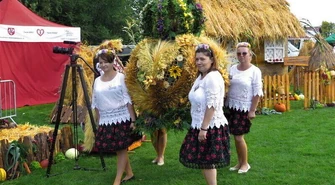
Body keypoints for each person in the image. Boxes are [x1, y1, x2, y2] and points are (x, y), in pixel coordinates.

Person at [179, 44, 230, 185]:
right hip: (199, 125)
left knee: (207, 162)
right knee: (204, 161)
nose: (199, 62)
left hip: (210, 126)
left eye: (202, 59)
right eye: (197, 59)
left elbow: (212, 105)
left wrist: (204, 128)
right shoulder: (201, 77)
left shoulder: (213, 77)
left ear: (212, 60)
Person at [91, 49, 136, 185]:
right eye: (101, 63)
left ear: (112, 62)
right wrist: (99, 121)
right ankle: (129, 173)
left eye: (106, 62)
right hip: (106, 119)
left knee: (122, 148)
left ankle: (117, 180)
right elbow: (96, 102)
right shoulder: (97, 81)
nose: (103, 65)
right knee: (118, 148)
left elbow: (128, 99)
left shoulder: (121, 77)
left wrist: (133, 119)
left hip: (122, 117)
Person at [225, 42, 263, 174]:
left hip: (243, 108)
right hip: (230, 106)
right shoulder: (232, 68)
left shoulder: (255, 71)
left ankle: (245, 164)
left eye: (244, 53)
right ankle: (239, 162)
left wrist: (252, 110)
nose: (241, 56)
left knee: (238, 137)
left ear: (250, 55)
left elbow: (257, 92)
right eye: (239, 53)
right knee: (234, 136)